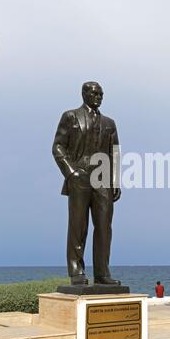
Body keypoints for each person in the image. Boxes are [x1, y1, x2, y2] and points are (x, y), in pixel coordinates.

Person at [52, 81, 121, 286]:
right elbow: (57, 147)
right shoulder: (70, 116)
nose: (99, 97)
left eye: (101, 94)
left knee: (104, 227)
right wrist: (71, 172)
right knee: (78, 225)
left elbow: (114, 154)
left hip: (103, 179)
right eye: (95, 93)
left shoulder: (110, 123)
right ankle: (76, 271)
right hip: (79, 176)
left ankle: (102, 273)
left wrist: (115, 182)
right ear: (84, 94)